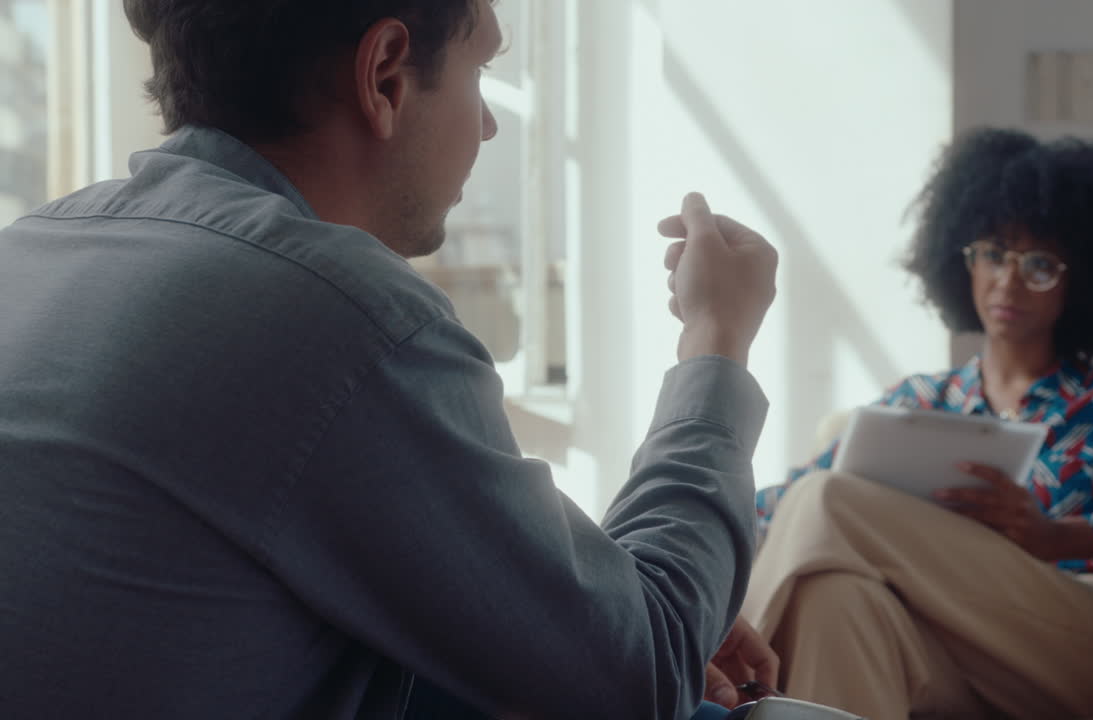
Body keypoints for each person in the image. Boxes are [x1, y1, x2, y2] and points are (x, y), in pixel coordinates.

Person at [0, 1, 781, 717]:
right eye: (482, 70)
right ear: (384, 75)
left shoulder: (29, 254)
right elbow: (637, 681)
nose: (488, 127)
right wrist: (717, 343)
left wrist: (595, 611)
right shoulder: (333, 315)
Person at [743, 128, 1093, 720]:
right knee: (833, 598)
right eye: (993, 253)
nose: (1008, 280)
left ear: (1083, 278)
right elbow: (778, 509)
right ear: (962, 259)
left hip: (1079, 653)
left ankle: (717, 666)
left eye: (1040, 264)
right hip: (944, 653)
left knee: (828, 498)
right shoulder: (920, 402)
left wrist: (1061, 535)